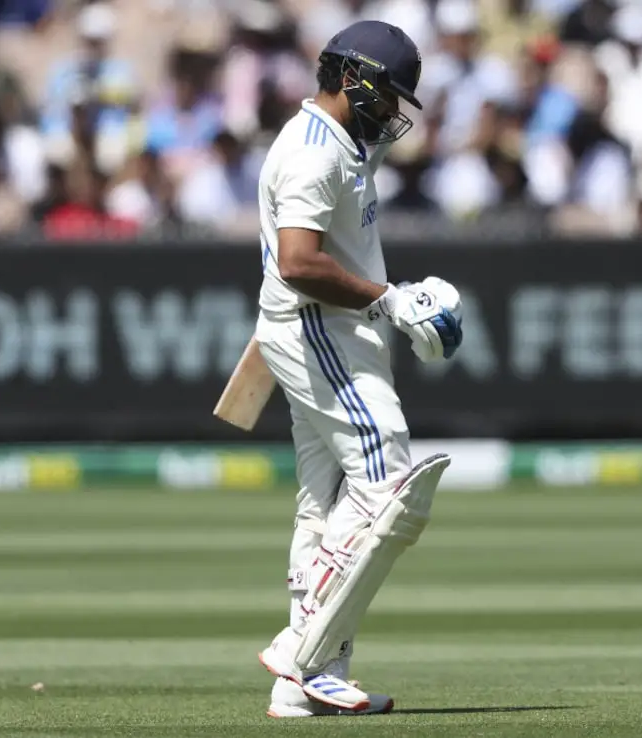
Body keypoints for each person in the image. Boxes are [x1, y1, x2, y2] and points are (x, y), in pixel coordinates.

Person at [251, 20, 464, 718]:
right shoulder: (316, 153)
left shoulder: (340, 142)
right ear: (354, 79)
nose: (395, 112)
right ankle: (302, 648)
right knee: (388, 483)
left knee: (324, 502)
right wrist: (391, 300)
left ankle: (302, 686)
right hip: (322, 332)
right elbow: (299, 263)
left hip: (323, 332)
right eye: (390, 94)